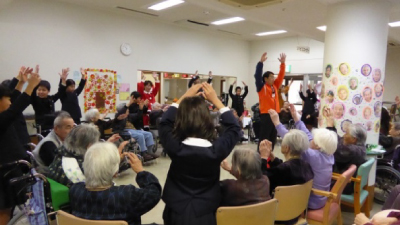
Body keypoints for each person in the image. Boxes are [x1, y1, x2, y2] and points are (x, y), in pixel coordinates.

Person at [159, 83, 241, 225]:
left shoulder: (175, 148)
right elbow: (234, 127)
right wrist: (216, 100)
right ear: (207, 120)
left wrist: (185, 96)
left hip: (176, 210)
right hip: (206, 211)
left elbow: (164, 122)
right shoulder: (217, 151)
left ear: (181, 121)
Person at [69, 142, 161, 225]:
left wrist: (114, 165)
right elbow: (154, 192)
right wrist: (141, 171)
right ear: (115, 173)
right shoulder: (127, 195)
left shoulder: (75, 191)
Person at [269, 105, 337, 210]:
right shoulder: (328, 154)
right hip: (322, 198)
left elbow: (293, 140)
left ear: (318, 146)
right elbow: (308, 135)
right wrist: (296, 118)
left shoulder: (313, 156)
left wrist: (277, 123)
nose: (311, 139)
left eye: (314, 140)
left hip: (311, 201)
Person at [0, 68, 41, 225]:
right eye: (6, 99)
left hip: (11, 166)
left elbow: (14, 102)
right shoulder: (2, 119)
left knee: (8, 209)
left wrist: (21, 81)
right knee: (4, 210)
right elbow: (15, 108)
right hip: (5, 170)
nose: (10, 102)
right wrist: (30, 86)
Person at [259, 135, 313, 223]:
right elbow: (284, 169)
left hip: (277, 216)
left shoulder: (283, 170)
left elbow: (261, 180)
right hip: (296, 212)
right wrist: (272, 158)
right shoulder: (307, 166)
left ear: (287, 148)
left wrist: (263, 158)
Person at [325, 109, 367, 194]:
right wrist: (331, 126)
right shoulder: (360, 147)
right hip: (348, 181)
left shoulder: (352, 150)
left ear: (354, 139)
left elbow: (336, 148)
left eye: (347, 134)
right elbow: (339, 140)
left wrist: (330, 128)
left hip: (345, 185)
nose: (344, 136)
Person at [254, 52, 287, 150]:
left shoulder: (275, 86)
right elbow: (257, 76)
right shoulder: (262, 87)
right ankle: (261, 157)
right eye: (271, 77)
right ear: (265, 79)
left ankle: (270, 156)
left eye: (273, 77)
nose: (273, 78)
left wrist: (283, 64)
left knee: (273, 137)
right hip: (266, 115)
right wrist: (260, 63)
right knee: (264, 137)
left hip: (276, 114)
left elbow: (281, 76)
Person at [31, 66, 68, 132]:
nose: (41, 92)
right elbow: (32, 92)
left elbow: (60, 93)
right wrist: (34, 81)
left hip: (53, 126)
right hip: (41, 127)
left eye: (44, 90)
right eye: (39, 90)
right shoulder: (35, 100)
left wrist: (63, 81)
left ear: (48, 91)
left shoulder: (51, 99)